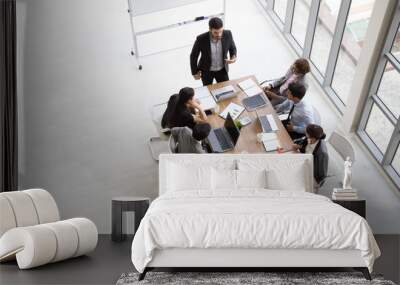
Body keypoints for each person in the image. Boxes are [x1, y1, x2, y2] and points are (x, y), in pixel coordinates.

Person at [190, 17, 237, 86]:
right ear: (210, 30)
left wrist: (233, 57)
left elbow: (232, 48)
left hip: (222, 70)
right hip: (206, 71)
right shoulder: (201, 39)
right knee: (208, 91)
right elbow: (193, 56)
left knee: (226, 89)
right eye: (216, 32)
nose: (219, 35)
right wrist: (194, 72)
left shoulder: (228, 34)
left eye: (221, 31)